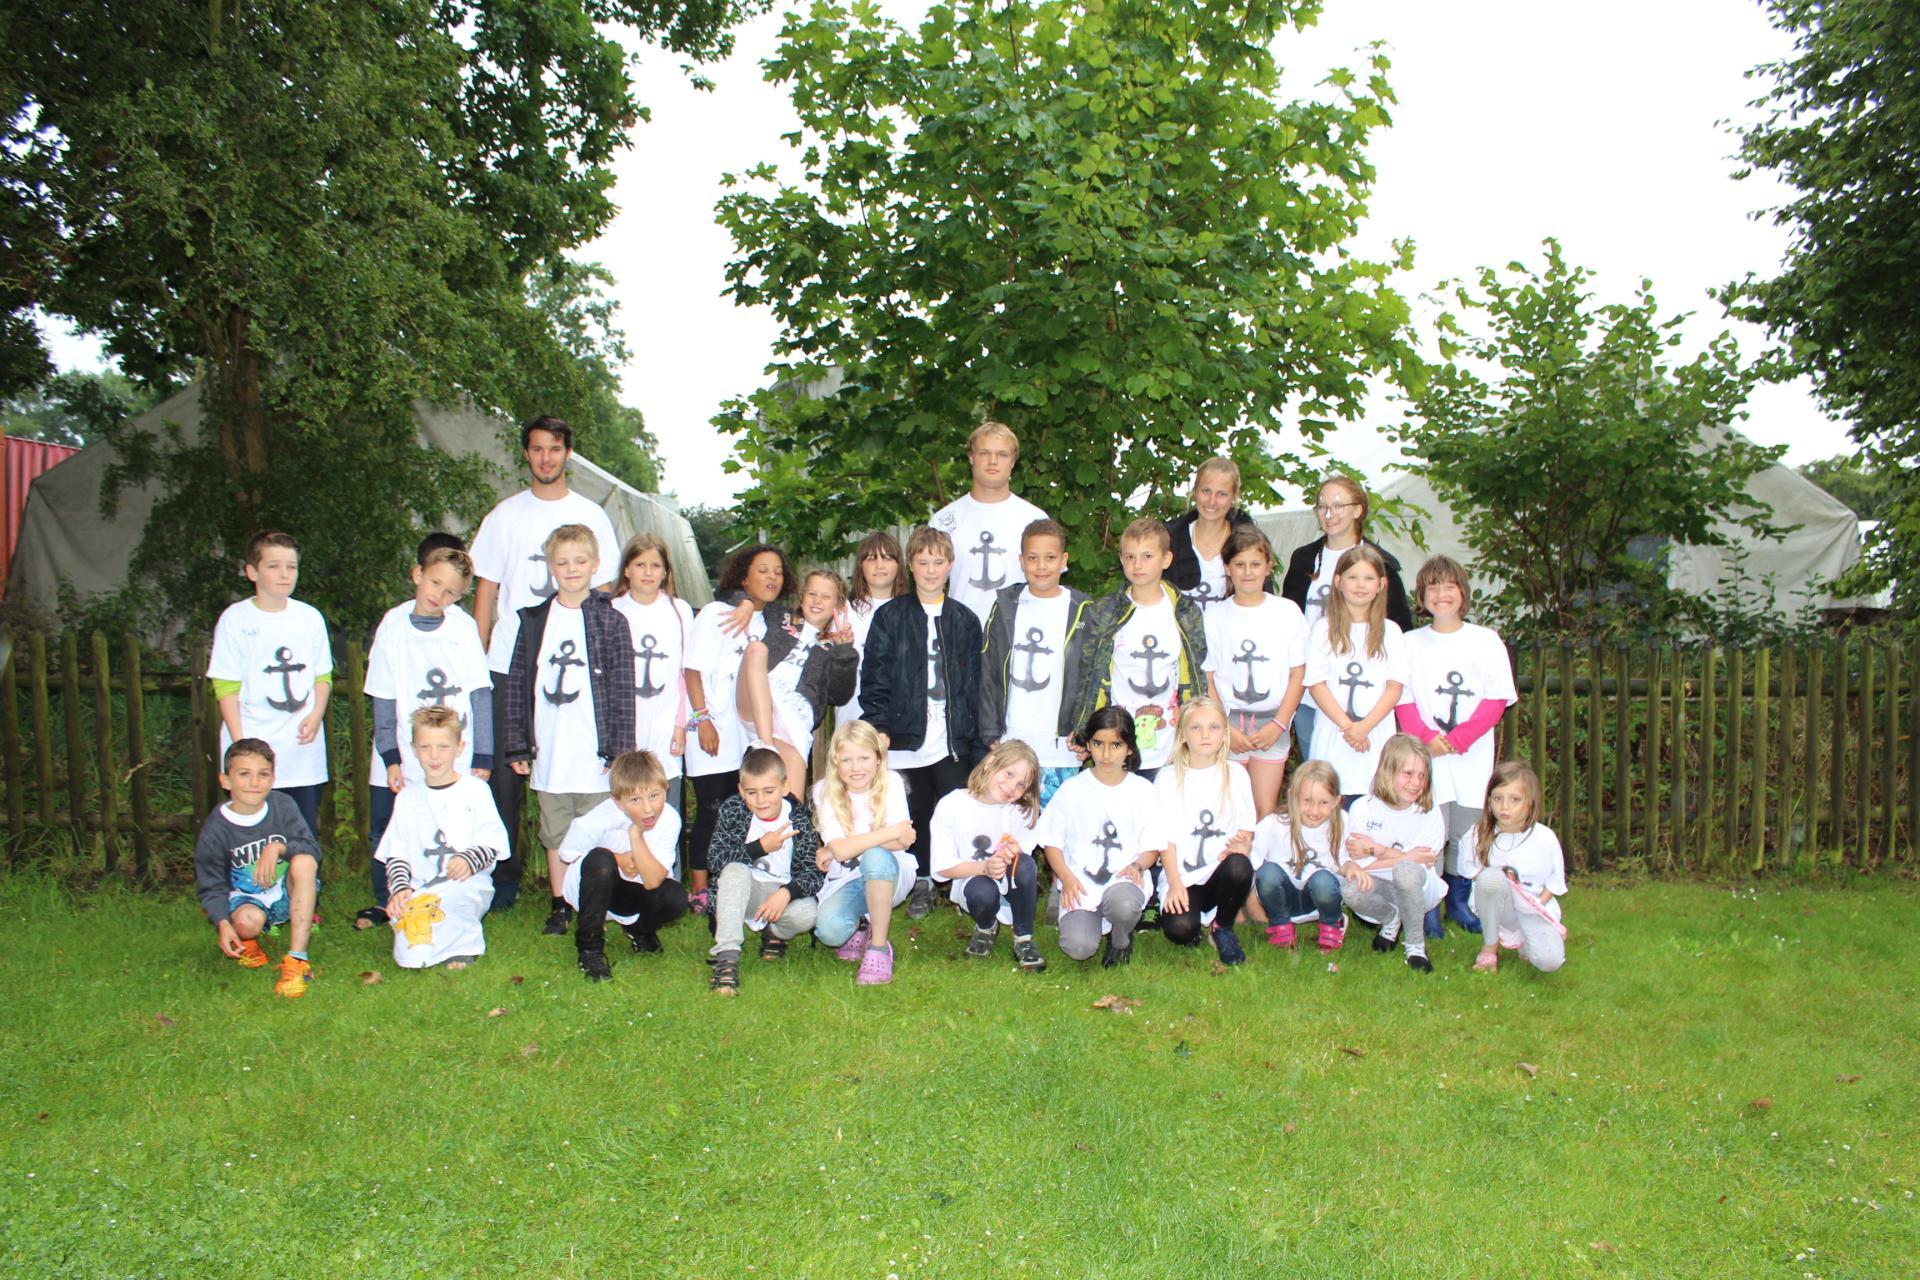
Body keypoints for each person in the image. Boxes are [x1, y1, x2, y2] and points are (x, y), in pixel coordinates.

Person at [469, 415, 621, 911]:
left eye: (555, 449)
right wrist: (477, 655)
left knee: (579, 770)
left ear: (567, 454)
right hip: (510, 660)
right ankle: (502, 881)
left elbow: (603, 591)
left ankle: (590, 883)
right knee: (505, 779)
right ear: (526, 454)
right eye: (537, 449)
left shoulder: (590, 516)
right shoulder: (505, 516)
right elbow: (487, 589)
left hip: (574, 664)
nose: (546, 458)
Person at [499, 524, 636, 938]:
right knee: (556, 832)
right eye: (562, 562)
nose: (571, 569)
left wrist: (620, 752)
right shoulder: (534, 621)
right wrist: (517, 745)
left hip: (596, 753)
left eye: (580, 560)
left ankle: (597, 901)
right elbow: (518, 684)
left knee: (599, 831)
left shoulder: (612, 622)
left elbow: (624, 689)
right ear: (550, 567)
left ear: (595, 565)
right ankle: (559, 904)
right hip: (551, 751)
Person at [356, 545, 492, 931]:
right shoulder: (393, 625)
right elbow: (384, 695)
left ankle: (447, 892)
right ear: (418, 574)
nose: (438, 595)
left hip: (452, 749)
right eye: (435, 583)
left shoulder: (462, 628)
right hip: (403, 746)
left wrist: (483, 755)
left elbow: (480, 692)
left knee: (449, 824)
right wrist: (390, 756)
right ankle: (387, 899)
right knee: (388, 824)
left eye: (450, 592)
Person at [861, 526, 983, 919]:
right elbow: (874, 676)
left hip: (951, 737)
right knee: (912, 811)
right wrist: (879, 725)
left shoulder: (965, 620)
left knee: (950, 810)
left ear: (950, 565)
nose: (931, 571)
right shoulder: (890, 617)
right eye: (923, 562)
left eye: (938, 562)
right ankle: (922, 882)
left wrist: (977, 737)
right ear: (910, 566)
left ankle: (963, 884)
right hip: (905, 734)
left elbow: (976, 683)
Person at [1395, 555, 1515, 936]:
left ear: (1463, 592)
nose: (1441, 593)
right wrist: (1426, 738)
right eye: (1433, 586)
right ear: (1421, 596)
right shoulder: (1409, 643)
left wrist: (1460, 738)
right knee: (1430, 830)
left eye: (1450, 586)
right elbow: (1403, 697)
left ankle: (1458, 901)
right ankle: (1428, 906)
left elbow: (1496, 698)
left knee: (1466, 833)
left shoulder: (1486, 640)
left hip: (1471, 754)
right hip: (1426, 755)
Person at [683, 544, 792, 912]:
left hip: (748, 737)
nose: (772, 577)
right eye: (762, 570)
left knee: (740, 813)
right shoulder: (716, 614)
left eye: (778, 571)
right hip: (712, 730)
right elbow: (693, 670)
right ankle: (700, 889)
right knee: (711, 809)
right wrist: (702, 719)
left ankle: (733, 881)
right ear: (743, 577)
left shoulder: (771, 623)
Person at [207, 530, 333, 839]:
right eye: (274, 566)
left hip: (301, 750)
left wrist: (316, 713)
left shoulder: (309, 618)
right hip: (252, 741)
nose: (285, 574)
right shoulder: (235, 619)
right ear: (252, 572)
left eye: (292, 566)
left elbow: (322, 676)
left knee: (301, 834)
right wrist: (242, 745)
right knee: (253, 835)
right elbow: (226, 686)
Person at [1069, 517, 1208, 779]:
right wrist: (1083, 728)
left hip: (1170, 744)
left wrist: (1197, 724)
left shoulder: (1185, 611)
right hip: (1117, 743)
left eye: (1147, 556)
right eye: (1130, 557)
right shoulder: (1105, 612)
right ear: (1121, 560)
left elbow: (1197, 672)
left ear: (1166, 559)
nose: (1137, 565)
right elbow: (1090, 676)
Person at [1280, 475, 1413, 750]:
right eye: (1323, 506)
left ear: (1357, 510)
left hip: (1368, 697)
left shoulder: (1382, 564)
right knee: (1319, 766)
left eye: (1339, 506)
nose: (1329, 514)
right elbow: (1288, 621)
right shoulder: (1303, 559)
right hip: (1311, 689)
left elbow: (1400, 627)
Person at [376, 708, 509, 971]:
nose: (434, 756)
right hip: (422, 886)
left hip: (465, 881)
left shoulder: (475, 790)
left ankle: (463, 947)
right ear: (413, 749)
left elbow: (492, 841)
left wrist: (469, 859)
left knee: (455, 899)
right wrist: (401, 889)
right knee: (411, 943)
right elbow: (396, 851)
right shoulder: (407, 798)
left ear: (459, 748)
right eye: (425, 747)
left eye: (443, 747)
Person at [1036, 706, 1166, 966]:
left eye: (1116, 745)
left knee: (1123, 905)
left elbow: (1153, 844)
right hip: (1081, 883)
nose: (1106, 754)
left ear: (1129, 749)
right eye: (1098, 744)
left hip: (1123, 881)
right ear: (1088, 745)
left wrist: (1138, 865)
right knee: (1079, 948)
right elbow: (1051, 841)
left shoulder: (1142, 791)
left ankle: (1121, 938)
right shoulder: (1072, 789)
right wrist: (1066, 877)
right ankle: (1091, 922)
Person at [192, 739, 322, 997]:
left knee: (305, 861)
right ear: (225, 780)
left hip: (286, 892)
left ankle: (297, 960)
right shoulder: (215, 830)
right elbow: (211, 886)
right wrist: (222, 924)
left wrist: (279, 847)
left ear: (272, 778)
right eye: (244, 774)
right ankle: (247, 940)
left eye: (263, 774)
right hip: (246, 900)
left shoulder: (283, 805)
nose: (254, 783)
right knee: (245, 923)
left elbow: (313, 849)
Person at [978, 518, 1093, 807]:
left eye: (1050, 558)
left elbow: (1092, 678)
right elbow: (989, 670)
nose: (1041, 566)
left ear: (1064, 560)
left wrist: (1086, 732)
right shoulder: (1006, 606)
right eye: (1032, 558)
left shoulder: (1083, 610)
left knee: (1059, 828)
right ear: (1021, 561)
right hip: (1012, 745)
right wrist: (990, 730)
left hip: (1062, 749)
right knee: (1009, 829)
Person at [555, 749, 690, 982]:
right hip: (591, 888)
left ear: (666, 789)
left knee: (675, 897)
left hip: (631, 890)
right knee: (600, 860)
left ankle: (638, 929)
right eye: (635, 800)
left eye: (654, 796)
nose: (648, 808)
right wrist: (617, 858)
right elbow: (568, 853)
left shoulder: (669, 819)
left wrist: (635, 833)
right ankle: (590, 950)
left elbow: (653, 881)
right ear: (617, 801)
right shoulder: (598, 819)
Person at [703, 747, 827, 994]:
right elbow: (715, 860)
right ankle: (727, 958)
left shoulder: (798, 817)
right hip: (743, 891)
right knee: (734, 871)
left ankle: (774, 932)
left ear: (784, 787)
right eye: (752, 792)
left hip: (779, 892)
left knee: (807, 914)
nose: (761, 800)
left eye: (769, 791)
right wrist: (759, 847)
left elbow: (812, 874)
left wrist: (787, 893)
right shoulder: (733, 809)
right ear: (741, 791)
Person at [1203, 526, 1306, 819]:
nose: (1247, 572)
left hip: (1272, 723)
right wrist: (1225, 728)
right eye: (1239, 564)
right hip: (1229, 724)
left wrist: (1279, 724)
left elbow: (1298, 674)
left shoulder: (1287, 612)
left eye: (1255, 564)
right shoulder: (1214, 616)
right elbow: (1208, 677)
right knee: (1228, 811)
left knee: (1264, 810)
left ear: (1268, 566)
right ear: (1227, 568)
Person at [810, 720, 917, 986]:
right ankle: (863, 924)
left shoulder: (891, 781)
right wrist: (889, 832)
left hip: (891, 872)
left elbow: (903, 842)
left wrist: (845, 846)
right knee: (830, 931)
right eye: (847, 760)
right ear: (835, 762)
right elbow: (842, 850)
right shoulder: (824, 790)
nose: (856, 767)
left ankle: (879, 947)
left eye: (864, 758)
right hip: (847, 877)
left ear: (878, 758)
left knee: (875, 857)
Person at [1153, 698, 1257, 966]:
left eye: (1213, 727)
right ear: (1183, 735)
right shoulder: (1167, 779)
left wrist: (1243, 845)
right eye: (1196, 728)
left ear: (1224, 735)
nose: (1205, 735)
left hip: (1219, 873)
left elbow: (1246, 828)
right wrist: (1175, 883)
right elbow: (1164, 838)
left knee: (1240, 866)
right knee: (1180, 930)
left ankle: (1222, 926)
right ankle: (1194, 921)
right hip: (1184, 877)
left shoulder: (1236, 775)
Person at [739, 569, 859, 799]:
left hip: (794, 716)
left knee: (793, 803)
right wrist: (745, 603)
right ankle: (766, 747)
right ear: (802, 597)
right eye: (812, 594)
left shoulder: (834, 648)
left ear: (839, 607)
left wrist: (844, 651)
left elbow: (840, 695)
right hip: (757, 699)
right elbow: (745, 590)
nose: (817, 601)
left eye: (826, 597)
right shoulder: (778, 616)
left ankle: (768, 747)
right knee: (756, 649)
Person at [1303, 545, 1409, 802]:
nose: (1360, 585)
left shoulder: (1391, 632)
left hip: (1376, 740)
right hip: (1333, 738)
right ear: (1338, 581)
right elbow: (1316, 684)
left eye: (1369, 578)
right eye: (1353, 577)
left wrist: (1365, 727)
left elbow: (1394, 687)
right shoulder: (1323, 629)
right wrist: (1349, 727)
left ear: (1381, 584)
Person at [930, 738, 1046, 971]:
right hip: (973, 883)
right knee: (982, 890)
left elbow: (1021, 860)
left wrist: (1011, 854)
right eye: (1009, 774)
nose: (1011, 787)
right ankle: (986, 927)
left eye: (1021, 785)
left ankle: (1023, 937)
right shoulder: (951, 805)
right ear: (990, 763)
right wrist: (984, 868)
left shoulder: (1019, 812)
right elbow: (943, 867)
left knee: (1024, 864)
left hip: (1008, 883)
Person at [610, 533, 698, 818]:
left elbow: (686, 671)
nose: (648, 572)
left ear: (665, 572)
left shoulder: (679, 610)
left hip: (665, 720)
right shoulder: (612, 609)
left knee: (665, 806)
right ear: (627, 569)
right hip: (625, 723)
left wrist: (681, 724)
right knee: (626, 801)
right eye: (640, 565)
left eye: (655, 565)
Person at [1344, 735, 1447, 973]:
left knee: (1405, 872)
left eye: (1422, 775)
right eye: (1408, 773)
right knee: (1350, 889)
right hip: (1381, 886)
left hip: (1420, 889)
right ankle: (1391, 919)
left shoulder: (1429, 811)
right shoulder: (1362, 808)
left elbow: (1423, 863)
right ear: (1387, 770)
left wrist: (1376, 849)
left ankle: (1416, 947)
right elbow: (1363, 867)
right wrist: (1405, 856)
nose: (1416, 783)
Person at [930, 421, 1050, 624]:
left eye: (1002, 454)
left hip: (1018, 633)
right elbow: (928, 586)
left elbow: (1048, 587)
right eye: (984, 453)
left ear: (1013, 460)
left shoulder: (1035, 520)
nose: (993, 461)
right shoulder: (943, 522)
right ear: (971, 457)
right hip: (958, 632)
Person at [1460, 762, 1568, 974]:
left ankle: (1527, 942)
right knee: (1490, 877)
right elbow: (1473, 876)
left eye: (1515, 799)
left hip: (1534, 907)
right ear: (1488, 800)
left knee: (1550, 962)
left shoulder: (1545, 838)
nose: (1504, 807)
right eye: (1498, 798)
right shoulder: (1476, 835)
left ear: (1530, 802)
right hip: (1500, 910)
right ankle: (1490, 945)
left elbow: (1554, 884)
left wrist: (1535, 907)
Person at [1251, 760, 1347, 951]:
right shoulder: (1273, 824)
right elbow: (1251, 861)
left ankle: (1332, 922)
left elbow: (1347, 860)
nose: (1314, 810)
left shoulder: (1343, 822)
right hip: (1286, 898)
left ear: (1337, 802)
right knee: (1267, 873)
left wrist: (1355, 863)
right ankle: (1281, 925)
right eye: (1307, 801)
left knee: (1322, 880)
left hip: (1320, 899)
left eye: (1323, 803)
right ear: (1292, 796)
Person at [1166, 456, 1261, 610]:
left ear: (1234, 496)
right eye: (1206, 491)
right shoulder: (1169, 540)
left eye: (1222, 494)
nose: (1212, 501)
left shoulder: (1249, 544)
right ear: (1195, 490)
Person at [838, 531, 907, 727]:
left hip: (901, 725)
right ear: (861, 565)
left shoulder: (912, 614)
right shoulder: (842, 612)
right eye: (871, 558)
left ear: (899, 565)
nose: (879, 565)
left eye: (887, 557)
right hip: (852, 722)